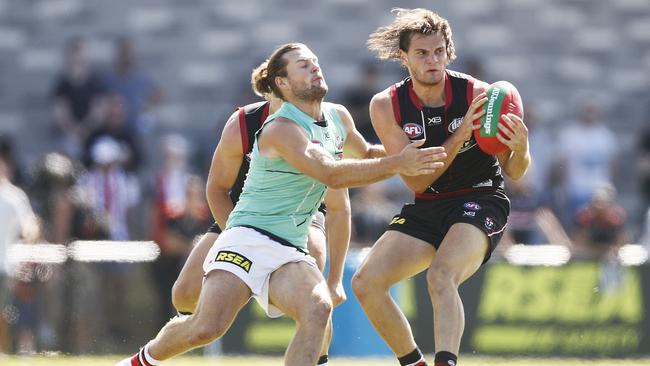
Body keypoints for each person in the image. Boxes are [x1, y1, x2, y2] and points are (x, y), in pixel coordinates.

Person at [117, 42, 445, 366]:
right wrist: (401, 164)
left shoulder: (338, 116)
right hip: (248, 238)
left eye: (315, 61)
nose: (315, 66)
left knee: (317, 309)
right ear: (282, 83)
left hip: (290, 246)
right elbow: (330, 174)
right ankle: (139, 362)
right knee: (206, 327)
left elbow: (369, 153)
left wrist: (425, 147)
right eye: (303, 64)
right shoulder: (280, 128)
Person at [351, 9, 530, 366]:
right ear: (404, 57)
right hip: (428, 201)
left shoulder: (480, 94)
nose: (433, 60)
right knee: (365, 282)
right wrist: (461, 133)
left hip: (480, 198)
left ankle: (445, 362)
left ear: (449, 51)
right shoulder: (386, 105)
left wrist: (522, 148)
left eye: (439, 51)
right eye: (421, 53)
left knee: (441, 275)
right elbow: (417, 179)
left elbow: (516, 172)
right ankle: (414, 362)